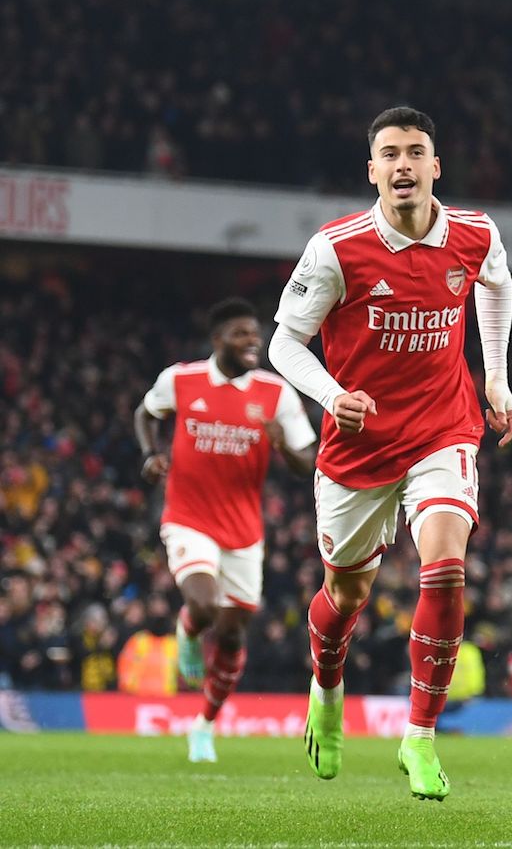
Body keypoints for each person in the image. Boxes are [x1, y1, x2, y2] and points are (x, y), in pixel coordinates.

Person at [267, 106, 512, 800]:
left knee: (444, 568)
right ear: (372, 171)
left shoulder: (474, 233)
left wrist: (494, 375)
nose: (403, 164)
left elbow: (496, 285)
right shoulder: (337, 248)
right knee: (346, 596)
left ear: (435, 166)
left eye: (415, 152)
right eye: (389, 154)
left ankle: (420, 738)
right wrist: (330, 393)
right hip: (358, 448)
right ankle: (325, 684)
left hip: (444, 429)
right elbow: (283, 344)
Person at [135, 296, 317, 763]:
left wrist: (283, 447)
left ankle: (204, 726)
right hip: (188, 518)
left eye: (255, 334)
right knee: (202, 602)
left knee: (234, 635)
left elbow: (308, 460)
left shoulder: (275, 394)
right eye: (241, 334)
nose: (252, 341)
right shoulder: (181, 379)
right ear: (217, 340)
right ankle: (188, 628)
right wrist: (150, 454)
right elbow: (146, 414)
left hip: (244, 531)